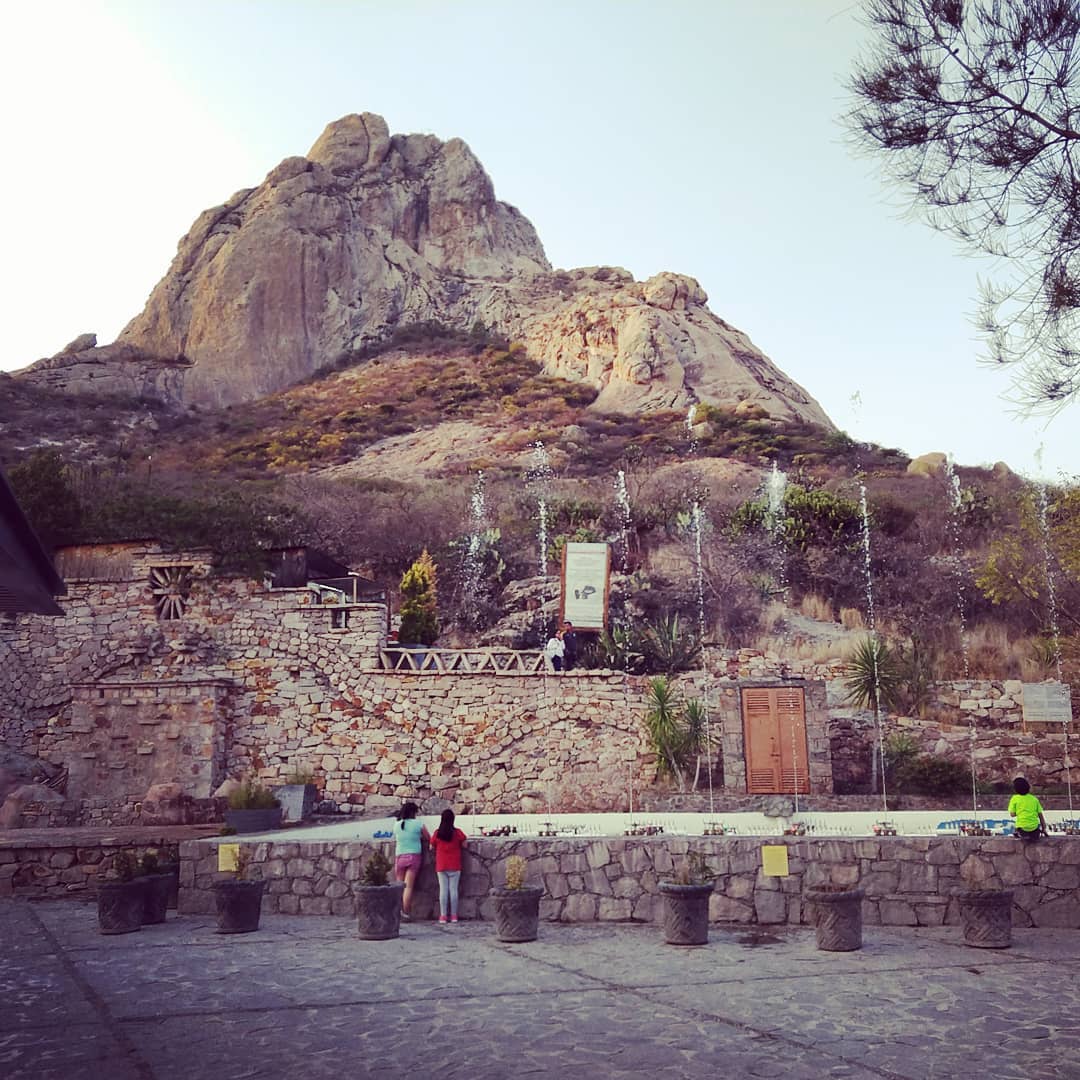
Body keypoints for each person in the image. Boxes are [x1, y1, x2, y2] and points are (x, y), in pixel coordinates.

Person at [429, 807, 467, 923]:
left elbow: (431, 847)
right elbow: (465, 845)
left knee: (443, 890)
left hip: (441, 865)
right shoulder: (458, 833)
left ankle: (443, 916)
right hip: (455, 864)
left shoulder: (437, 833)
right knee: (453, 890)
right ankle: (454, 916)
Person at [393, 801, 430, 918]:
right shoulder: (418, 824)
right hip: (413, 856)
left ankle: (396, 911)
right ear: (413, 812)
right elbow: (428, 837)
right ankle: (406, 912)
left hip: (399, 856)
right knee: (408, 886)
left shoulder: (397, 825)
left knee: (399, 886)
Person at [1008, 776, 1048, 842]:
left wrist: (1020, 811)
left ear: (1015, 789)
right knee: (1034, 833)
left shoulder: (1015, 798)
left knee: (1017, 828)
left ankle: (1020, 834)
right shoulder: (1034, 799)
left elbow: (1012, 814)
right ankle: (1033, 836)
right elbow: (1040, 816)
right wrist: (1044, 829)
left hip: (1022, 828)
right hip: (1034, 829)